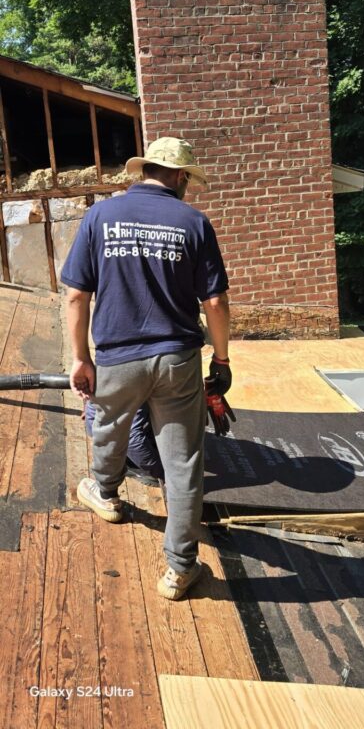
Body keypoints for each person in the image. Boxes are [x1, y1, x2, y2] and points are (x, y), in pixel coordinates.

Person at [61, 136, 232, 601]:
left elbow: (77, 294)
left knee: (110, 427)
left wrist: (81, 358)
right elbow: (214, 302)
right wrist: (221, 359)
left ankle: (106, 494)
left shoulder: (100, 216)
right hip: (178, 359)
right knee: (182, 463)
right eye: (188, 180)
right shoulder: (194, 223)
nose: (189, 189)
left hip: (118, 358)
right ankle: (180, 569)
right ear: (177, 176)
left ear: (146, 169)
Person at [84, 400, 165, 484]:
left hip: (97, 423)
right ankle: (132, 465)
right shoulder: (136, 390)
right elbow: (133, 440)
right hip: (109, 435)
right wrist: (165, 473)